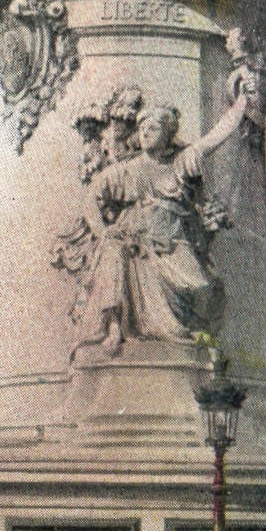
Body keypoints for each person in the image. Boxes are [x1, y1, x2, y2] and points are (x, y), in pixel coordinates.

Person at [69, 83, 249, 356]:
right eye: (142, 129)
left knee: (202, 287)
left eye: (152, 129)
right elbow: (92, 197)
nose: (144, 133)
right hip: (137, 244)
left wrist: (242, 103)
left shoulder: (181, 162)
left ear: (167, 134)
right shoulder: (127, 170)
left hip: (173, 244)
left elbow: (216, 136)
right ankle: (116, 327)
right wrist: (103, 230)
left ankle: (188, 335)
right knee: (114, 252)